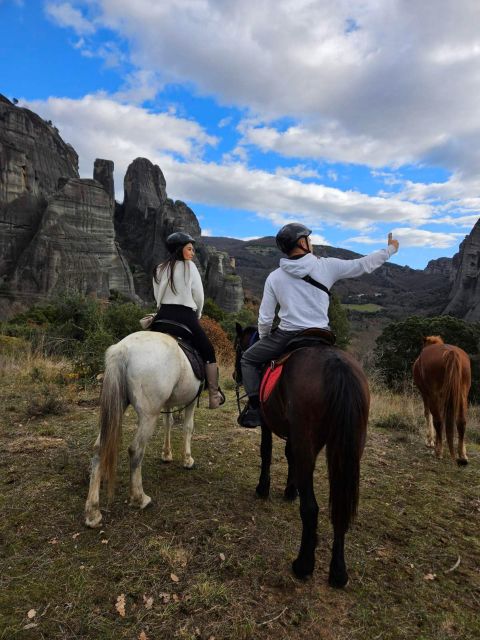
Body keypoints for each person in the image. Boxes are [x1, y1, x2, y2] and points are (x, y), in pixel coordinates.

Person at [238, 223, 399, 427]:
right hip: (321, 334)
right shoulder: (326, 266)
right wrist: (390, 249)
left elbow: (266, 318)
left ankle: (255, 409)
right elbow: (362, 265)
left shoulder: (274, 277)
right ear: (303, 243)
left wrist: (264, 338)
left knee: (248, 359)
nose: (311, 243)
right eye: (309, 239)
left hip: (287, 335)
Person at [152, 231, 225, 409]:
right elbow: (198, 296)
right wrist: (198, 314)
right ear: (180, 249)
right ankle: (214, 396)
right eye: (190, 249)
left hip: (162, 317)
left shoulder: (159, 268)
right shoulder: (190, 267)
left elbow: (156, 296)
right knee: (208, 350)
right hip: (185, 317)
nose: (192, 253)